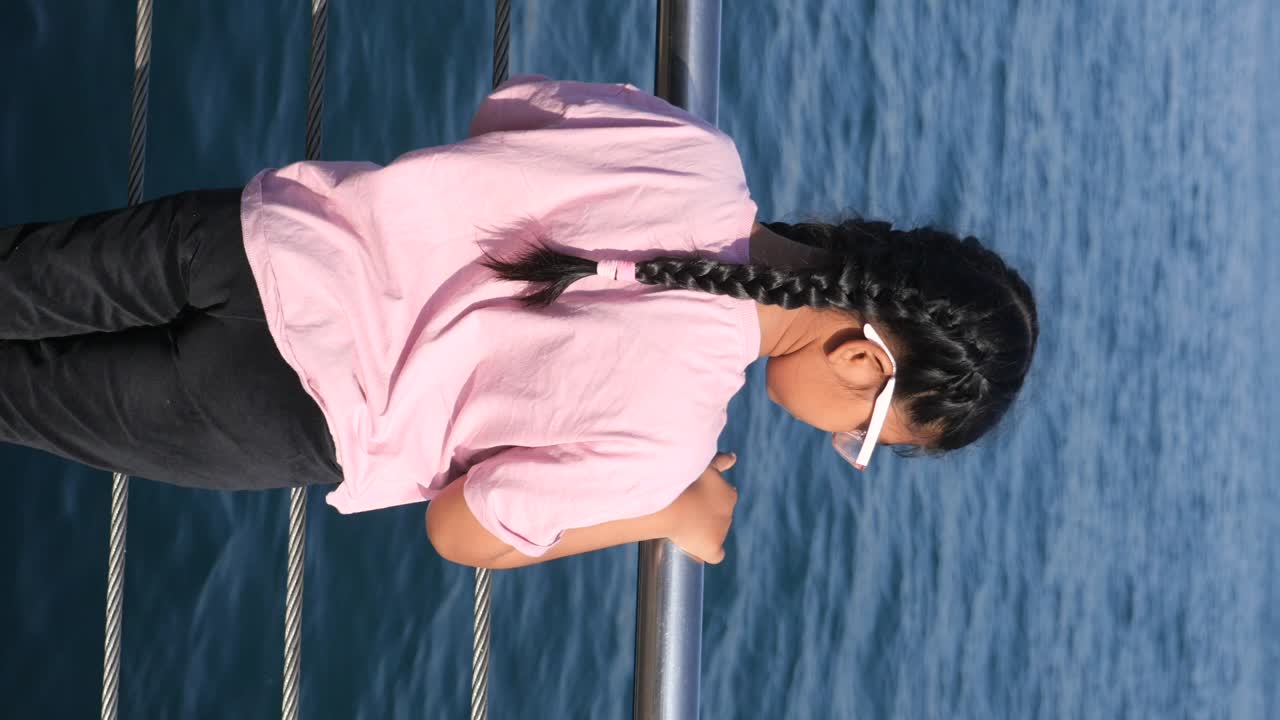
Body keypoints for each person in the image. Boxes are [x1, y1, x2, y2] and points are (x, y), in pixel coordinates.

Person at [0, 75, 1037, 570]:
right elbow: (462, 531)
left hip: (256, 240)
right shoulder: (665, 443)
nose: (835, 438)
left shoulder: (700, 158)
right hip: (268, 410)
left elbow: (509, 109)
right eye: (860, 435)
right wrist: (666, 513)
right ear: (862, 360)